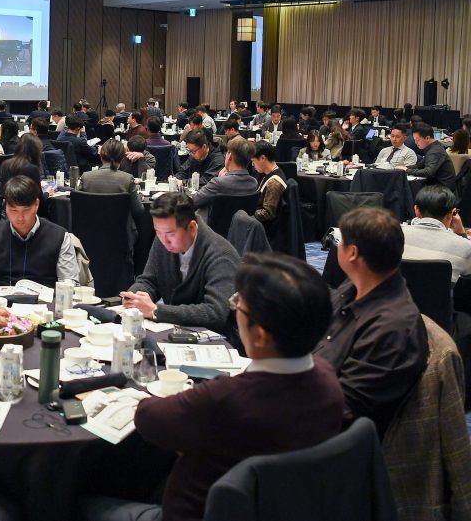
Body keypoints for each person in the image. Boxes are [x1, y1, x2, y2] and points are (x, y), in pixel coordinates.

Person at [122, 254, 345, 521]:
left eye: (238, 304)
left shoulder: (225, 399)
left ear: (260, 334)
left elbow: (147, 419)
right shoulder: (329, 382)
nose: (235, 308)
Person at [315, 207, 428, 437]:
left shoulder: (393, 327)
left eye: (340, 242)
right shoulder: (354, 286)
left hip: (331, 443)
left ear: (352, 253)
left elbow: (345, 409)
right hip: (307, 393)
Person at [121, 193, 240, 331]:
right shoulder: (163, 239)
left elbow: (215, 313)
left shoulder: (221, 254)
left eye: (170, 234)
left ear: (192, 228)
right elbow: (150, 280)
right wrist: (135, 296)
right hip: (175, 330)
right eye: (158, 232)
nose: (164, 240)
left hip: (215, 339)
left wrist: (156, 310)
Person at [0, 175, 77, 291]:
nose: (20, 218)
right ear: (5, 206)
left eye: (26, 210)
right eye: (14, 210)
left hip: (45, 304)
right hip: (1, 304)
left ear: (36, 205)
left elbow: (69, 282)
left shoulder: (59, 237)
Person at [402, 185, 471, 283]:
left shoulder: (394, 235)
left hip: (396, 296)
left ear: (417, 210)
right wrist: (461, 234)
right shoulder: (465, 246)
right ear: (451, 214)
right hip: (442, 298)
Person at [192, 137, 257, 221]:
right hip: (240, 229)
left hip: (210, 229)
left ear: (229, 156)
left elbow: (194, 201)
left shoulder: (218, 183)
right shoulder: (253, 183)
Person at [400, 123, 457, 189]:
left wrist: (407, 170)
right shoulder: (434, 148)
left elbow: (428, 172)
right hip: (437, 186)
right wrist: (404, 168)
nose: (415, 143)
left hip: (442, 190)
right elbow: (419, 166)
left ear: (427, 138)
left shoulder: (435, 151)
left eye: (417, 140)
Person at [251, 140, 287, 228]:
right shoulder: (268, 174)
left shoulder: (274, 182)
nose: (252, 164)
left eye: (253, 160)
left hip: (265, 230)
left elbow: (267, 214)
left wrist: (248, 212)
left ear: (263, 158)